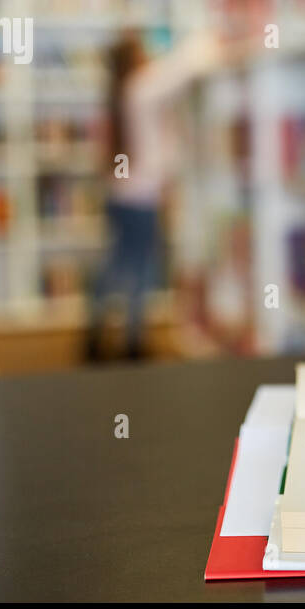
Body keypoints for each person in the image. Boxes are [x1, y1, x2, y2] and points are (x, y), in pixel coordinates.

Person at [84, 27, 224, 362]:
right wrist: (210, 39)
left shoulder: (123, 92)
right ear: (133, 58)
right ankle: (132, 342)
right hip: (140, 198)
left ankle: (97, 333)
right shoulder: (141, 89)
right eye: (142, 50)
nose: (148, 54)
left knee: (119, 264)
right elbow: (179, 70)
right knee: (138, 269)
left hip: (121, 197)